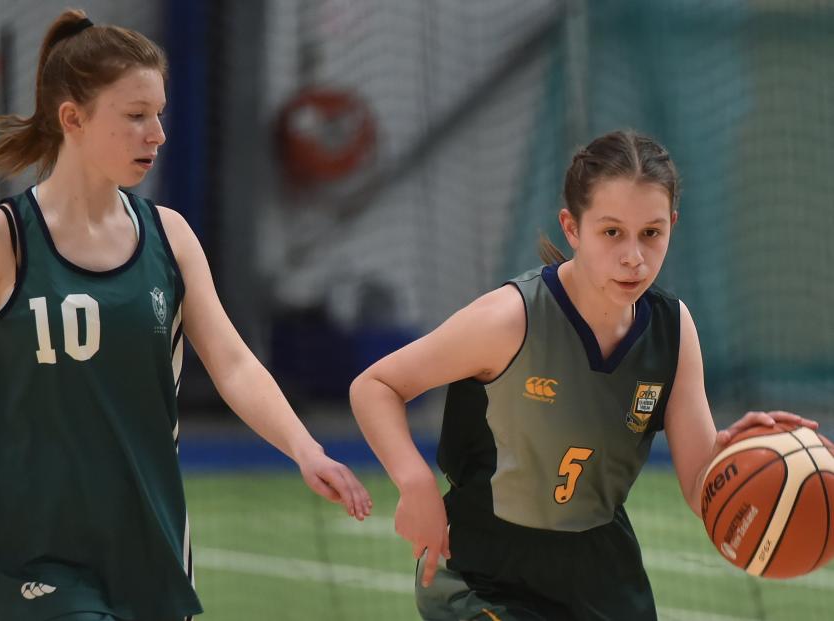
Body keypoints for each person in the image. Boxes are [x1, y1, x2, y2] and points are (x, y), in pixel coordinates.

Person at [0, 10, 371, 621]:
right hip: (37, 546)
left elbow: (233, 364)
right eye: (136, 115)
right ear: (74, 118)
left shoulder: (170, 237)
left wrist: (307, 449)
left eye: (160, 114)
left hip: (150, 536)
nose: (158, 133)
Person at [348, 129, 818, 620]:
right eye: (611, 232)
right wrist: (415, 484)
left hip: (602, 576)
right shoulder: (511, 319)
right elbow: (375, 386)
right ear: (572, 229)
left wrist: (744, 459)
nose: (633, 256)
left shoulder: (673, 329)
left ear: (672, 225)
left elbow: (702, 489)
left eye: (651, 233)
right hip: (484, 570)